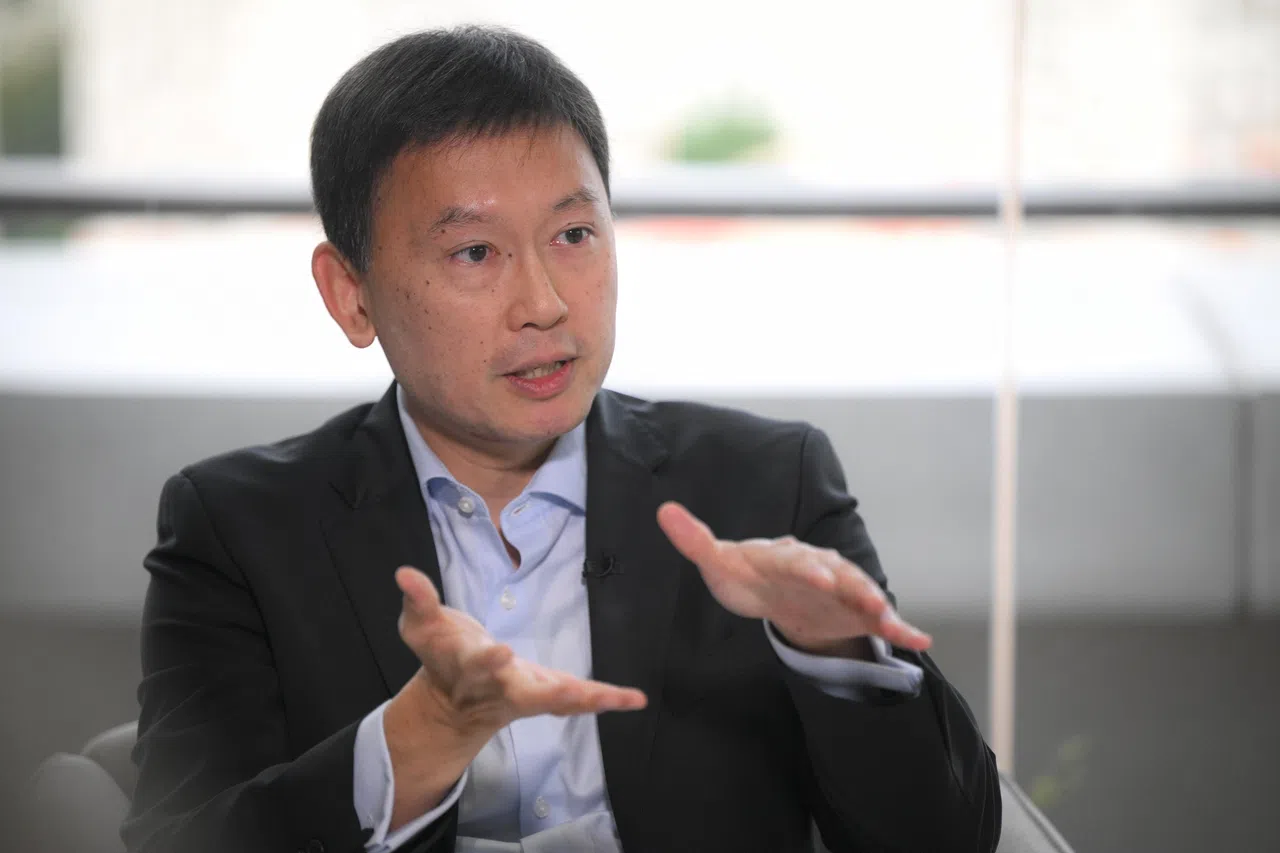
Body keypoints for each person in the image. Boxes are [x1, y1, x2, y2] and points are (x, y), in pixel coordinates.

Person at [124, 25, 1000, 853]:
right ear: (350, 293)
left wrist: (840, 659)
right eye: (475, 252)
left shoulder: (765, 485)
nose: (543, 302)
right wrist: (420, 737)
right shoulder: (239, 527)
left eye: (574, 234)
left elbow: (945, 838)